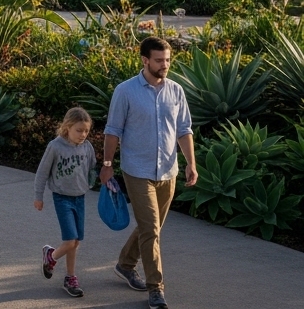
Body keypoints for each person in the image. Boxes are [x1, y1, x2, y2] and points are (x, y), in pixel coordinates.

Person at [100, 36, 196, 309]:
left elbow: (184, 129)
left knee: (149, 228)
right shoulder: (126, 91)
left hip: (168, 170)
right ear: (144, 60)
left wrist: (191, 163)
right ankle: (156, 289)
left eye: (167, 60)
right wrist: (107, 165)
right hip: (137, 170)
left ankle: (125, 264)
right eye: (159, 60)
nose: (164, 65)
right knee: (152, 229)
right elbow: (113, 130)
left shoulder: (176, 90)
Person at [36, 107, 97, 298]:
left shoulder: (87, 147)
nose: (83, 134)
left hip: (80, 197)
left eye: (86, 131)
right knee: (70, 240)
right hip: (62, 197)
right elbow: (42, 172)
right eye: (79, 130)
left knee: (76, 242)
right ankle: (51, 257)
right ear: (67, 127)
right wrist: (39, 196)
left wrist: (99, 182)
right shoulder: (56, 146)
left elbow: (92, 168)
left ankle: (70, 277)